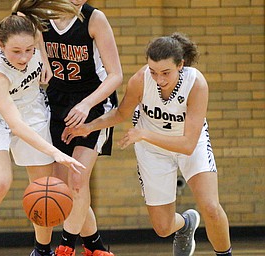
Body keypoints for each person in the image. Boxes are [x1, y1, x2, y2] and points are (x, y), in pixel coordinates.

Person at [62, 32, 233, 256]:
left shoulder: (196, 83)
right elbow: (121, 113)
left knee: (211, 207)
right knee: (163, 228)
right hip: (152, 150)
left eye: (165, 73)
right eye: (153, 71)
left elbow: (188, 144)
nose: (159, 79)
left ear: (180, 65)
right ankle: (186, 223)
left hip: (188, 141)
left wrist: (144, 134)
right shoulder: (141, 80)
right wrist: (89, 127)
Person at [0, 1, 85, 256]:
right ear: (0, 46)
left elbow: (28, 19)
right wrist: (56, 152)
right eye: (16, 51)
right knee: (1, 182)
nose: (25, 57)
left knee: (44, 186)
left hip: (31, 107)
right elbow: (15, 124)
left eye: (29, 50)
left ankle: (41, 249)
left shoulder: (32, 34)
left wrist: (45, 60)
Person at [41, 0, 123, 255]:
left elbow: (116, 75)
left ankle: (66, 245)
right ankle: (94, 245)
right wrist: (43, 59)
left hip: (94, 103)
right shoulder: (42, 15)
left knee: (77, 181)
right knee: (63, 185)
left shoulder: (94, 19)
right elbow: (19, 13)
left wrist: (86, 105)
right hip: (57, 104)